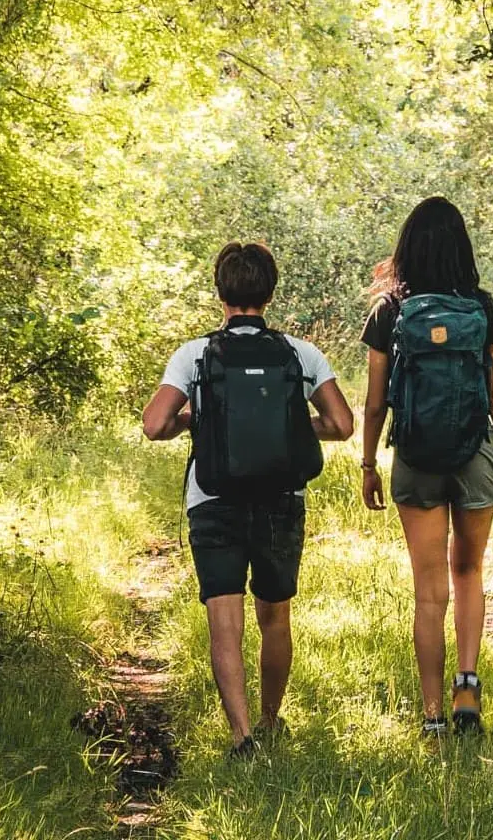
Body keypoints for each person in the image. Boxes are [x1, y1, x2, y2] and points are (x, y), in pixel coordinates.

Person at [142, 240, 354, 758]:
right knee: (275, 616)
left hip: (213, 498)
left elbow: (154, 424)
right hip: (282, 496)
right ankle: (270, 718)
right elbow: (341, 425)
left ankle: (242, 737)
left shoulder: (194, 354)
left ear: (220, 292)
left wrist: (200, 421)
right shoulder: (301, 354)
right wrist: (288, 428)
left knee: (225, 619)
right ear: (270, 292)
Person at [360, 196, 493, 739]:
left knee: (428, 590)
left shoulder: (389, 311)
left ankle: (431, 714)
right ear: (462, 248)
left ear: (408, 247)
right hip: (475, 456)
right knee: (469, 573)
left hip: (416, 458)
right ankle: (467, 689)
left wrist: (368, 463)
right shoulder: (483, 307)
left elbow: (376, 402)